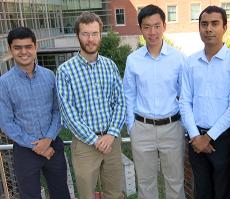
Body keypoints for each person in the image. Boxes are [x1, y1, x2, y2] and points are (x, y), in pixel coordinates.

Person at [179, 6, 230, 199]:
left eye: (215, 24)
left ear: (224, 27)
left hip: (223, 140)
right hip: (194, 138)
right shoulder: (190, 62)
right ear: (199, 28)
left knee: (223, 192)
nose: (209, 29)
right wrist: (196, 136)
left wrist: (208, 137)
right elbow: (184, 101)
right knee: (201, 192)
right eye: (204, 24)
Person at [56, 12, 126, 199]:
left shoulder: (109, 65)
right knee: (86, 194)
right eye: (85, 34)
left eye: (95, 33)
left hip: (112, 141)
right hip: (85, 145)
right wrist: (95, 141)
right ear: (77, 35)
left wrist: (111, 134)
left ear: (100, 35)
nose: (90, 39)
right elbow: (68, 113)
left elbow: (120, 102)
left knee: (115, 193)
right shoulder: (65, 71)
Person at [123, 4, 186, 199]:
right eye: (147, 26)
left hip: (172, 127)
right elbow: (129, 94)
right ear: (141, 29)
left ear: (164, 26)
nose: (153, 32)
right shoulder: (133, 60)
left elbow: (185, 95)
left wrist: (183, 125)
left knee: (175, 182)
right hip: (142, 128)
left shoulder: (178, 58)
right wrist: (131, 126)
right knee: (145, 183)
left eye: (157, 26)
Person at [0, 27, 70, 199]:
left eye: (28, 46)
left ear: (35, 47)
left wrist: (48, 140)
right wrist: (36, 147)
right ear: (10, 49)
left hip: (53, 145)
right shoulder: (4, 83)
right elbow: (6, 122)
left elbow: (58, 111)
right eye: (18, 47)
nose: (24, 52)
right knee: (30, 196)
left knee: (61, 193)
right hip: (24, 152)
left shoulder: (49, 76)